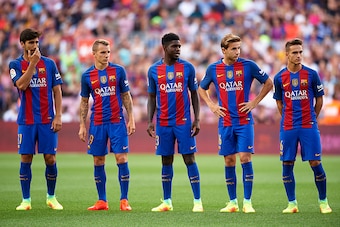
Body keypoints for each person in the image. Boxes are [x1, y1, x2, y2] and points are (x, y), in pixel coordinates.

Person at [198, 33, 273, 213]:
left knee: (245, 158)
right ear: (223, 50)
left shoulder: (249, 66)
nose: (237, 51)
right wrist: (211, 105)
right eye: (233, 49)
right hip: (225, 122)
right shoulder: (213, 69)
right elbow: (201, 88)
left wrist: (254, 103)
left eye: (239, 48)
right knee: (229, 160)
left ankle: (247, 202)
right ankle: (232, 202)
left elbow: (268, 83)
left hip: (244, 121)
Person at [273, 38, 332, 214]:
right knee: (287, 162)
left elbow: (320, 99)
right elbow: (279, 103)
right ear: (287, 55)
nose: (299, 55)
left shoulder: (312, 74)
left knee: (315, 161)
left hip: (308, 125)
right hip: (288, 127)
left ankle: (323, 202)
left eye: (300, 52)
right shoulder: (279, 77)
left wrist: (312, 116)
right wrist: (287, 118)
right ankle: (292, 204)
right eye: (295, 53)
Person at [147, 33, 203, 212]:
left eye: (179, 46)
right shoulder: (153, 70)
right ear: (164, 48)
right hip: (163, 123)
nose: (178, 49)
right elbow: (151, 97)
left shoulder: (188, 68)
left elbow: (194, 94)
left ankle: (197, 201)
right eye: (174, 46)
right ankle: (167, 202)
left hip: (183, 122)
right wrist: (150, 121)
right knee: (166, 160)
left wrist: (197, 119)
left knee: (189, 159)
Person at [9, 28, 63, 210]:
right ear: (22, 44)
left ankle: (51, 197)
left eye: (37, 42)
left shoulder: (49, 64)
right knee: (26, 157)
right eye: (31, 42)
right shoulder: (14, 65)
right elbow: (22, 85)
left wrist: (58, 115)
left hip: (47, 119)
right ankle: (26, 200)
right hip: (26, 120)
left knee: (50, 158)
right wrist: (32, 64)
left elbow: (57, 90)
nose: (34, 46)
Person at [78, 39, 135, 211]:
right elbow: (84, 101)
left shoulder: (118, 71)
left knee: (121, 158)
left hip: (117, 122)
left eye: (108, 52)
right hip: (97, 122)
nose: (106, 55)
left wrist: (131, 118)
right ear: (94, 54)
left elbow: (126, 96)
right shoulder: (87, 76)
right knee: (98, 160)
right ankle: (102, 201)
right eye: (103, 52)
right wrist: (82, 124)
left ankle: (124, 200)